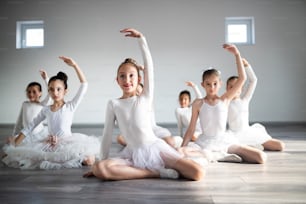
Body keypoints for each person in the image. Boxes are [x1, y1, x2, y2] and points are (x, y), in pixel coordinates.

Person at [83, 28, 205, 181]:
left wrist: (142, 39)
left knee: (198, 173)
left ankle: (157, 167)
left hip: (154, 149)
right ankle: (154, 172)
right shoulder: (113, 104)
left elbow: (150, 68)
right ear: (117, 80)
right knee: (100, 169)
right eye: (122, 76)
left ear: (139, 79)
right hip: (132, 153)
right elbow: (107, 135)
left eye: (131, 75)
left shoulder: (145, 97)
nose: (127, 80)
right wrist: (101, 161)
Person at [2, 56, 100, 169]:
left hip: (68, 142)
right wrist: (15, 146)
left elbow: (84, 85)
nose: (55, 92)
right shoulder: (46, 109)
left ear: (65, 91)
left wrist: (75, 66)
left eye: (58, 89)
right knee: (18, 155)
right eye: (51, 89)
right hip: (50, 144)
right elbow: (30, 127)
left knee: (89, 160)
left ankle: (74, 157)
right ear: (48, 91)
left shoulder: (70, 106)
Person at [181, 44, 267, 164]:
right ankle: (218, 155)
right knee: (183, 153)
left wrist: (237, 55)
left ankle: (217, 155)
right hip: (205, 142)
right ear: (203, 85)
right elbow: (191, 129)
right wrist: (182, 147)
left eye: (215, 83)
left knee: (261, 158)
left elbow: (242, 78)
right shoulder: (198, 103)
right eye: (208, 84)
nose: (212, 87)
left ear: (220, 83)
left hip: (224, 141)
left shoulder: (225, 100)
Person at [226, 58, 285, 151]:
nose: (234, 89)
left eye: (237, 86)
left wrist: (247, 65)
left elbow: (253, 80)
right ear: (227, 88)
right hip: (233, 135)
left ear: (241, 88)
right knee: (239, 148)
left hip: (248, 133)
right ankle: (249, 147)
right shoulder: (225, 102)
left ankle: (252, 145)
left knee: (280, 146)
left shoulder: (245, 99)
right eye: (231, 86)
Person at [117, 83, 182, 148]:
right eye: (135, 92)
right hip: (137, 133)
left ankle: (176, 140)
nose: (137, 94)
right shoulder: (129, 105)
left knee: (170, 143)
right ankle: (148, 144)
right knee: (120, 138)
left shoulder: (147, 102)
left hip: (152, 130)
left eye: (139, 92)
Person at [11, 70, 51, 145]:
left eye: (34, 91)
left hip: (39, 134)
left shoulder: (42, 104)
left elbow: (50, 95)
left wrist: (46, 79)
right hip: (26, 135)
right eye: (28, 91)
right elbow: (19, 121)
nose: (31, 94)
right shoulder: (25, 104)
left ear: (40, 93)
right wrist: (14, 135)